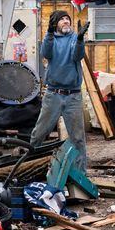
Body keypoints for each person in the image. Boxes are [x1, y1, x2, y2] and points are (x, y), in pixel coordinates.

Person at [29, 10, 90, 172]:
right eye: (62, 19)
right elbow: (46, 53)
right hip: (53, 94)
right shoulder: (51, 39)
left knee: (78, 138)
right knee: (39, 134)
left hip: (73, 96)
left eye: (67, 19)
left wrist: (80, 38)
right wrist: (49, 33)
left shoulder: (73, 38)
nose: (66, 21)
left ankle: (80, 174)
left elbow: (78, 56)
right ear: (55, 24)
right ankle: (29, 167)